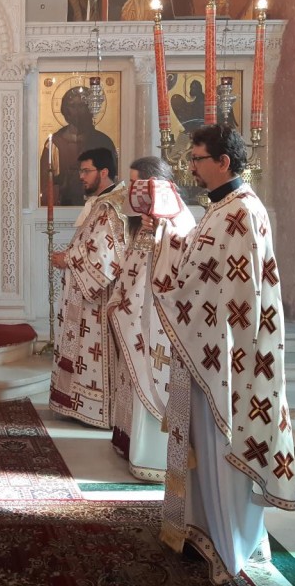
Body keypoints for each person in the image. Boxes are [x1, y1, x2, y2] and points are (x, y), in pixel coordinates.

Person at [149, 125, 295, 583]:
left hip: (226, 355)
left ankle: (229, 541)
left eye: (197, 158)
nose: (191, 166)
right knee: (202, 446)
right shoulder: (221, 208)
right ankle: (203, 529)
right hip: (206, 346)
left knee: (221, 444)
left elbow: (236, 291)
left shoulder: (242, 212)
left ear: (223, 162)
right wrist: (166, 239)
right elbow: (201, 264)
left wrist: (175, 294)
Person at [106, 156, 195, 481]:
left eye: (136, 183)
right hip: (136, 318)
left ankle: (152, 457)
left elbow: (183, 259)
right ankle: (130, 445)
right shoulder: (144, 221)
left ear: (154, 183)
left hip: (157, 324)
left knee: (153, 377)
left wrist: (160, 230)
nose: (131, 190)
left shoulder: (178, 215)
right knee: (133, 379)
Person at [49, 147, 127, 427]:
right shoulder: (102, 202)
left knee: (93, 352)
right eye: (80, 171)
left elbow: (106, 256)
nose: (81, 176)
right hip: (85, 293)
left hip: (98, 298)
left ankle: (96, 410)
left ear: (103, 172)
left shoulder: (111, 206)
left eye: (86, 171)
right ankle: (75, 403)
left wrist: (67, 259)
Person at [40, 86, 118, 206]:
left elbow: (113, 181)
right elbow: (44, 184)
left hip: (97, 206)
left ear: (90, 109)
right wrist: (63, 186)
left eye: (82, 105)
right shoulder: (54, 143)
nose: (77, 111)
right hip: (63, 206)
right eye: (72, 105)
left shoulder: (103, 141)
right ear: (65, 109)